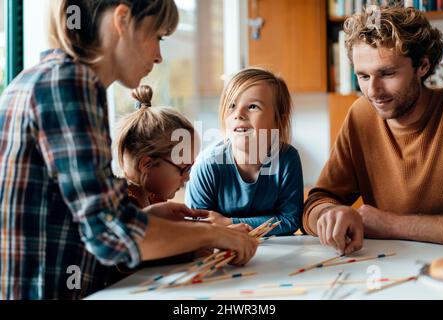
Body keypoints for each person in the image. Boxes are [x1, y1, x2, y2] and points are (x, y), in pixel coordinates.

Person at [0, 0, 257, 300]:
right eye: (157, 36)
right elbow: (110, 235)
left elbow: (84, 218)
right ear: (123, 19)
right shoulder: (69, 83)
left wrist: (150, 218)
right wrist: (212, 234)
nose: (159, 55)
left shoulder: (42, 77)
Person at [302, 6, 443, 256]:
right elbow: (317, 202)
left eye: (387, 73)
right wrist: (329, 215)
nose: (373, 91)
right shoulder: (361, 115)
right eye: (363, 76)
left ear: (422, 66)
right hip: (390, 267)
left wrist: (391, 224)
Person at [186, 68, 304, 236]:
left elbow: (290, 220)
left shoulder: (287, 159)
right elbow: (197, 225)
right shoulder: (207, 164)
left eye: (253, 106)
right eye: (232, 105)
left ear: (279, 120)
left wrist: (229, 222)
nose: (238, 114)